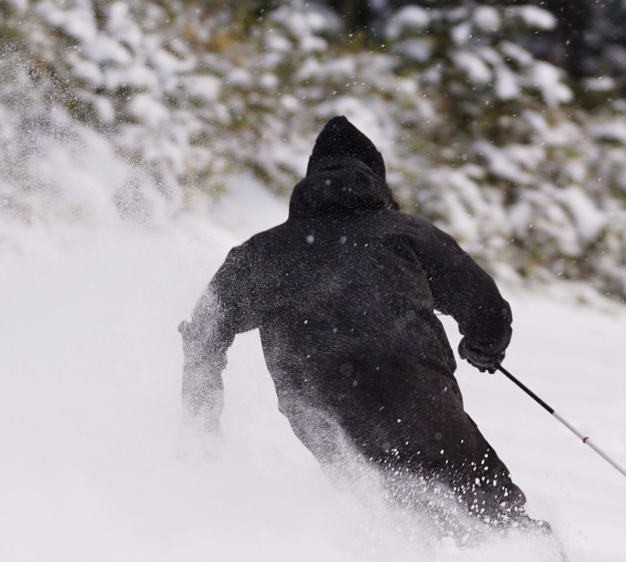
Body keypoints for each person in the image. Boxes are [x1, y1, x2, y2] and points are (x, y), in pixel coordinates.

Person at [180, 115, 549, 537]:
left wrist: (200, 422)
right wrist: (484, 346)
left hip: (320, 412)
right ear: (376, 179)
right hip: (413, 396)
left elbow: (203, 334)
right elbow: (486, 309)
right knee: (489, 507)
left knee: (400, 517)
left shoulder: (262, 253)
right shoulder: (405, 234)